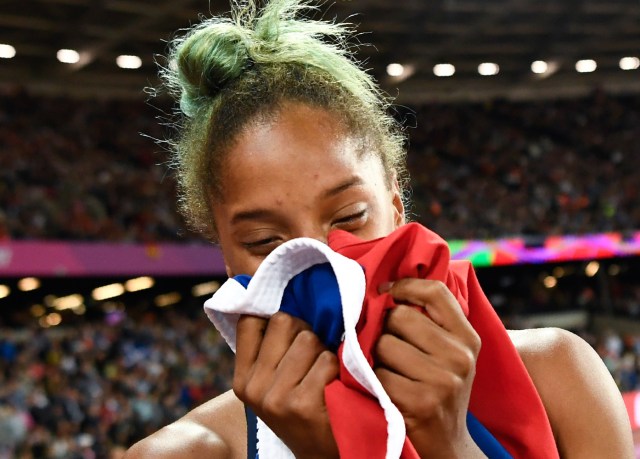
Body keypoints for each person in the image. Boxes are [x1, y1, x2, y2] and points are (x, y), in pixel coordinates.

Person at [125, 0, 634, 457]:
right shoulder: (188, 453)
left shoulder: (558, 374)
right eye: (265, 243)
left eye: (349, 217)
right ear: (225, 255)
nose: (324, 261)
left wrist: (451, 444)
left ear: (395, 205)